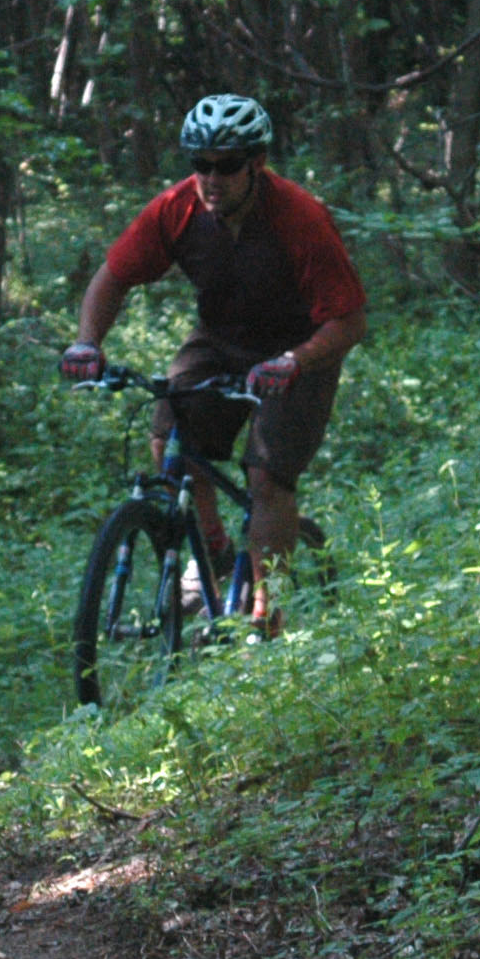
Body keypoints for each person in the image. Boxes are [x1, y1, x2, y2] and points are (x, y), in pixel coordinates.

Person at [60, 93, 367, 632]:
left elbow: (349, 321)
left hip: (298, 349)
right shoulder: (175, 210)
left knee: (266, 476)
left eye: (226, 165)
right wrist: (87, 343)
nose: (211, 178)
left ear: (257, 164)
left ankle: (264, 615)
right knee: (169, 433)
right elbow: (113, 277)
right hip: (221, 337)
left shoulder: (299, 217)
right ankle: (212, 561)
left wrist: (296, 361)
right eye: (200, 164)